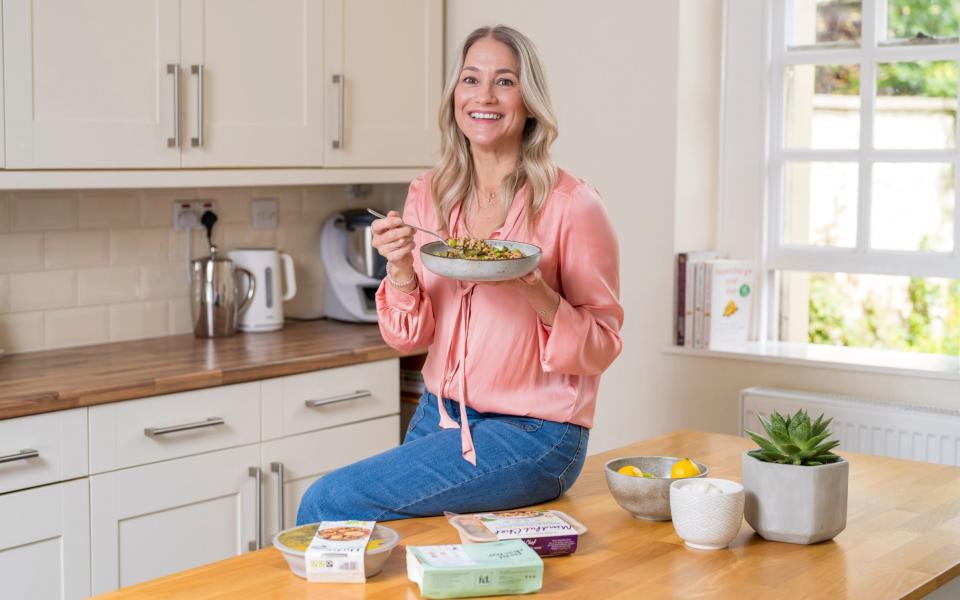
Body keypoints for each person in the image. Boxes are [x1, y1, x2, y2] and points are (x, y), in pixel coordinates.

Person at [296, 25, 622, 524]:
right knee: (397, 550)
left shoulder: (572, 204)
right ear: (454, 96)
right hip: (439, 414)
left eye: (505, 82)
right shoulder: (429, 193)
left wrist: (536, 290)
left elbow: (601, 345)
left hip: (534, 434)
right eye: (471, 79)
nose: (484, 96)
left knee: (328, 502)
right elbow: (408, 339)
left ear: (529, 101)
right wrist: (401, 268)